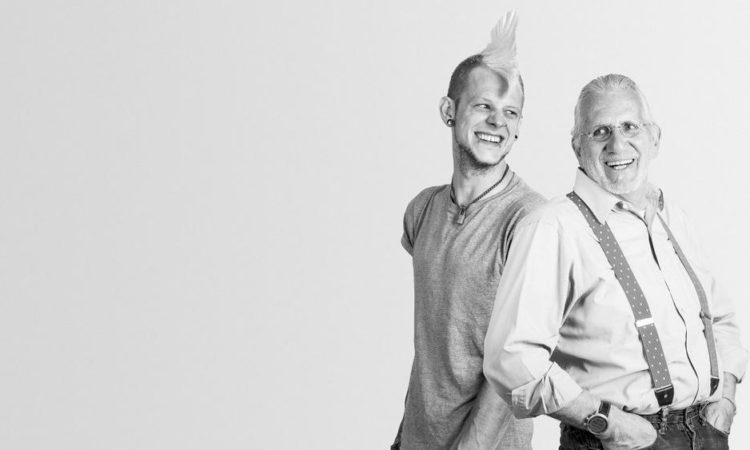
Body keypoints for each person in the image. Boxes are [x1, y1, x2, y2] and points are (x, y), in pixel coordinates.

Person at [483, 73, 749, 449]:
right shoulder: (555, 226)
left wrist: (726, 399)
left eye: (629, 127)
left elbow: (718, 319)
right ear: (578, 147)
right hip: (616, 440)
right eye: (600, 131)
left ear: (654, 138)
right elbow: (511, 359)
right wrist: (609, 424)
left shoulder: (672, 218)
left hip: (707, 432)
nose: (617, 144)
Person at [391, 11, 544, 450]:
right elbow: (435, 347)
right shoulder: (422, 211)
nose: (498, 122)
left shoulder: (530, 220)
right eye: (484, 106)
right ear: (449, 111)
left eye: (510, 112)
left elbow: (521, 360)